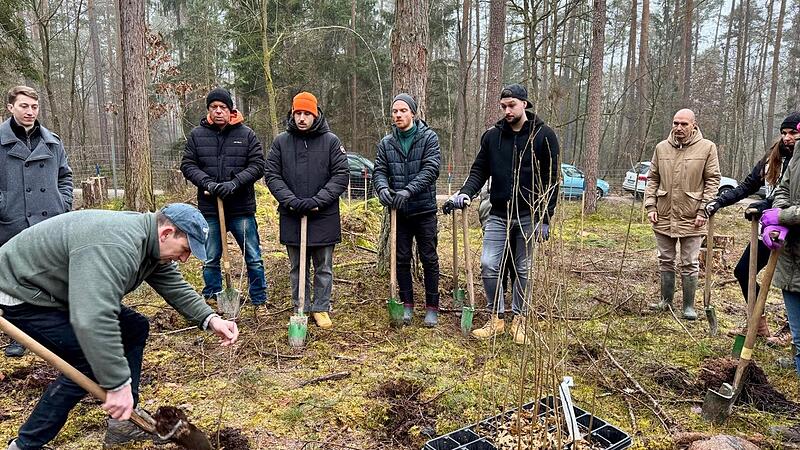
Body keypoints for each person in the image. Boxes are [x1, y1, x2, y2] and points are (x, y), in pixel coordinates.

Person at [0, 204, 239, 449]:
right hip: (23, 291)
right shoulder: (117, 246)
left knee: (134, 328)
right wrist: (116, 382)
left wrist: (211, 319)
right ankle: (25, 445)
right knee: (88, 363)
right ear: (166, 233)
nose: (185, 258)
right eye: (185, 249)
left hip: (61, 290)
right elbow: (94, 317)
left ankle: (123, 422)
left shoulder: (149, 242)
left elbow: (173, 284)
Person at [447, 83, 560, 344]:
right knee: (489, 264)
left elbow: (552, 179)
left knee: (523, 267)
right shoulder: (492, 137)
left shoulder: (543, 136)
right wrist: (465, 192)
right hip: (498, 213)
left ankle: (520, 320)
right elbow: (479, 170)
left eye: (512, 105)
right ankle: (496, 318)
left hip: (528, 214)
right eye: (503, 106)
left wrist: (545, 217)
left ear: (524, 104)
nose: (507, 111)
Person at [705, 112, 799, 340]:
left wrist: (765, 205)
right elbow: (747, 186)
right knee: (743, 271)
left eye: (792, 133)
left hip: (794, 230)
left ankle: (791, 330)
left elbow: (787, 197)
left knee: (793, 284)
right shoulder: (773, 158)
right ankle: (757, 322)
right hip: (770, 230)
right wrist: (719, 201)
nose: (787, 138)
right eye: (784, 133)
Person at [180, 87, 268, 318]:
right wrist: (208, 183)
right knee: (210, 257)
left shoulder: (246, 135)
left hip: (241, 208)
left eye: (223, 107)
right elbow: (188, 165)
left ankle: (259, 300)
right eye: (213, 107)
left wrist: (235, 183)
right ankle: (212, 297)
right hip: (210, 208)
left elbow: (258, 165)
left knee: (253, 256)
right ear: (209, 110)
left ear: (231, 110)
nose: (218, 111)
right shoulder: (197, 136)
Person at [265, 92, 349, 330]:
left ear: (316, 114)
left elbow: (340, 175)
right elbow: (272, 174)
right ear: (292, 114)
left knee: (323, 265)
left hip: (323, 215)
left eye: (307, 114)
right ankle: (300, 306)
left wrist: (318, 200)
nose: (302, 118)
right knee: (297, 266)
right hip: (292, 214)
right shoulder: (281, 142)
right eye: (298, 113)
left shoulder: (331, 142)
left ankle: (320, 308)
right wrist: (290, 200)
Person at [1, 85, 73, 358]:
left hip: (49, 220)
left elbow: (65, 176)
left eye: (34, 106)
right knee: (14, 280)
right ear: (10, 107)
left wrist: (63, 202)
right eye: (24, 106)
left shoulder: (52, 142)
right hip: (13, 220)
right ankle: (18, 336)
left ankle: (56, 329)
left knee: (51, 274)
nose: (30, 112)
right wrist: (3, 206)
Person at [373, 93, 442, 327]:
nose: (398, 115)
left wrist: (408, 191)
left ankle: (432, 306)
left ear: (413, 113)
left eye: (403, 110)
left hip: (424, 210)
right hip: (399, 212)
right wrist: (383, 188)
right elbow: (380, 171)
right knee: (401, 258)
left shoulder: (428, 138)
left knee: (429, 258)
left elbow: (431, 169)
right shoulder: (387, 143)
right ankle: (407, 304)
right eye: (395, 111)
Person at [645, 109, 721, 320]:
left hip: (693, 216)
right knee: (665, 259)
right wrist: (651, 206)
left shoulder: (707, 148)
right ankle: (665, 301)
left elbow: (713, 180)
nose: (678, 127)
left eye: (684, 124)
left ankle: (689, 306)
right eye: (675, 123)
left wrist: (704, 210)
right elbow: (652, 178)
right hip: (663, 213)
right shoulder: (661, 148)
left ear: (693, 125)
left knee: (689, 262)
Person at [763, 120, 800, 378]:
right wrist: (777, 221)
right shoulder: (797, 153)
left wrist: (784, 216)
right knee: (799, 337)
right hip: (791, 257)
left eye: (793, 132)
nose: (789, 137)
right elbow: (783, 189)